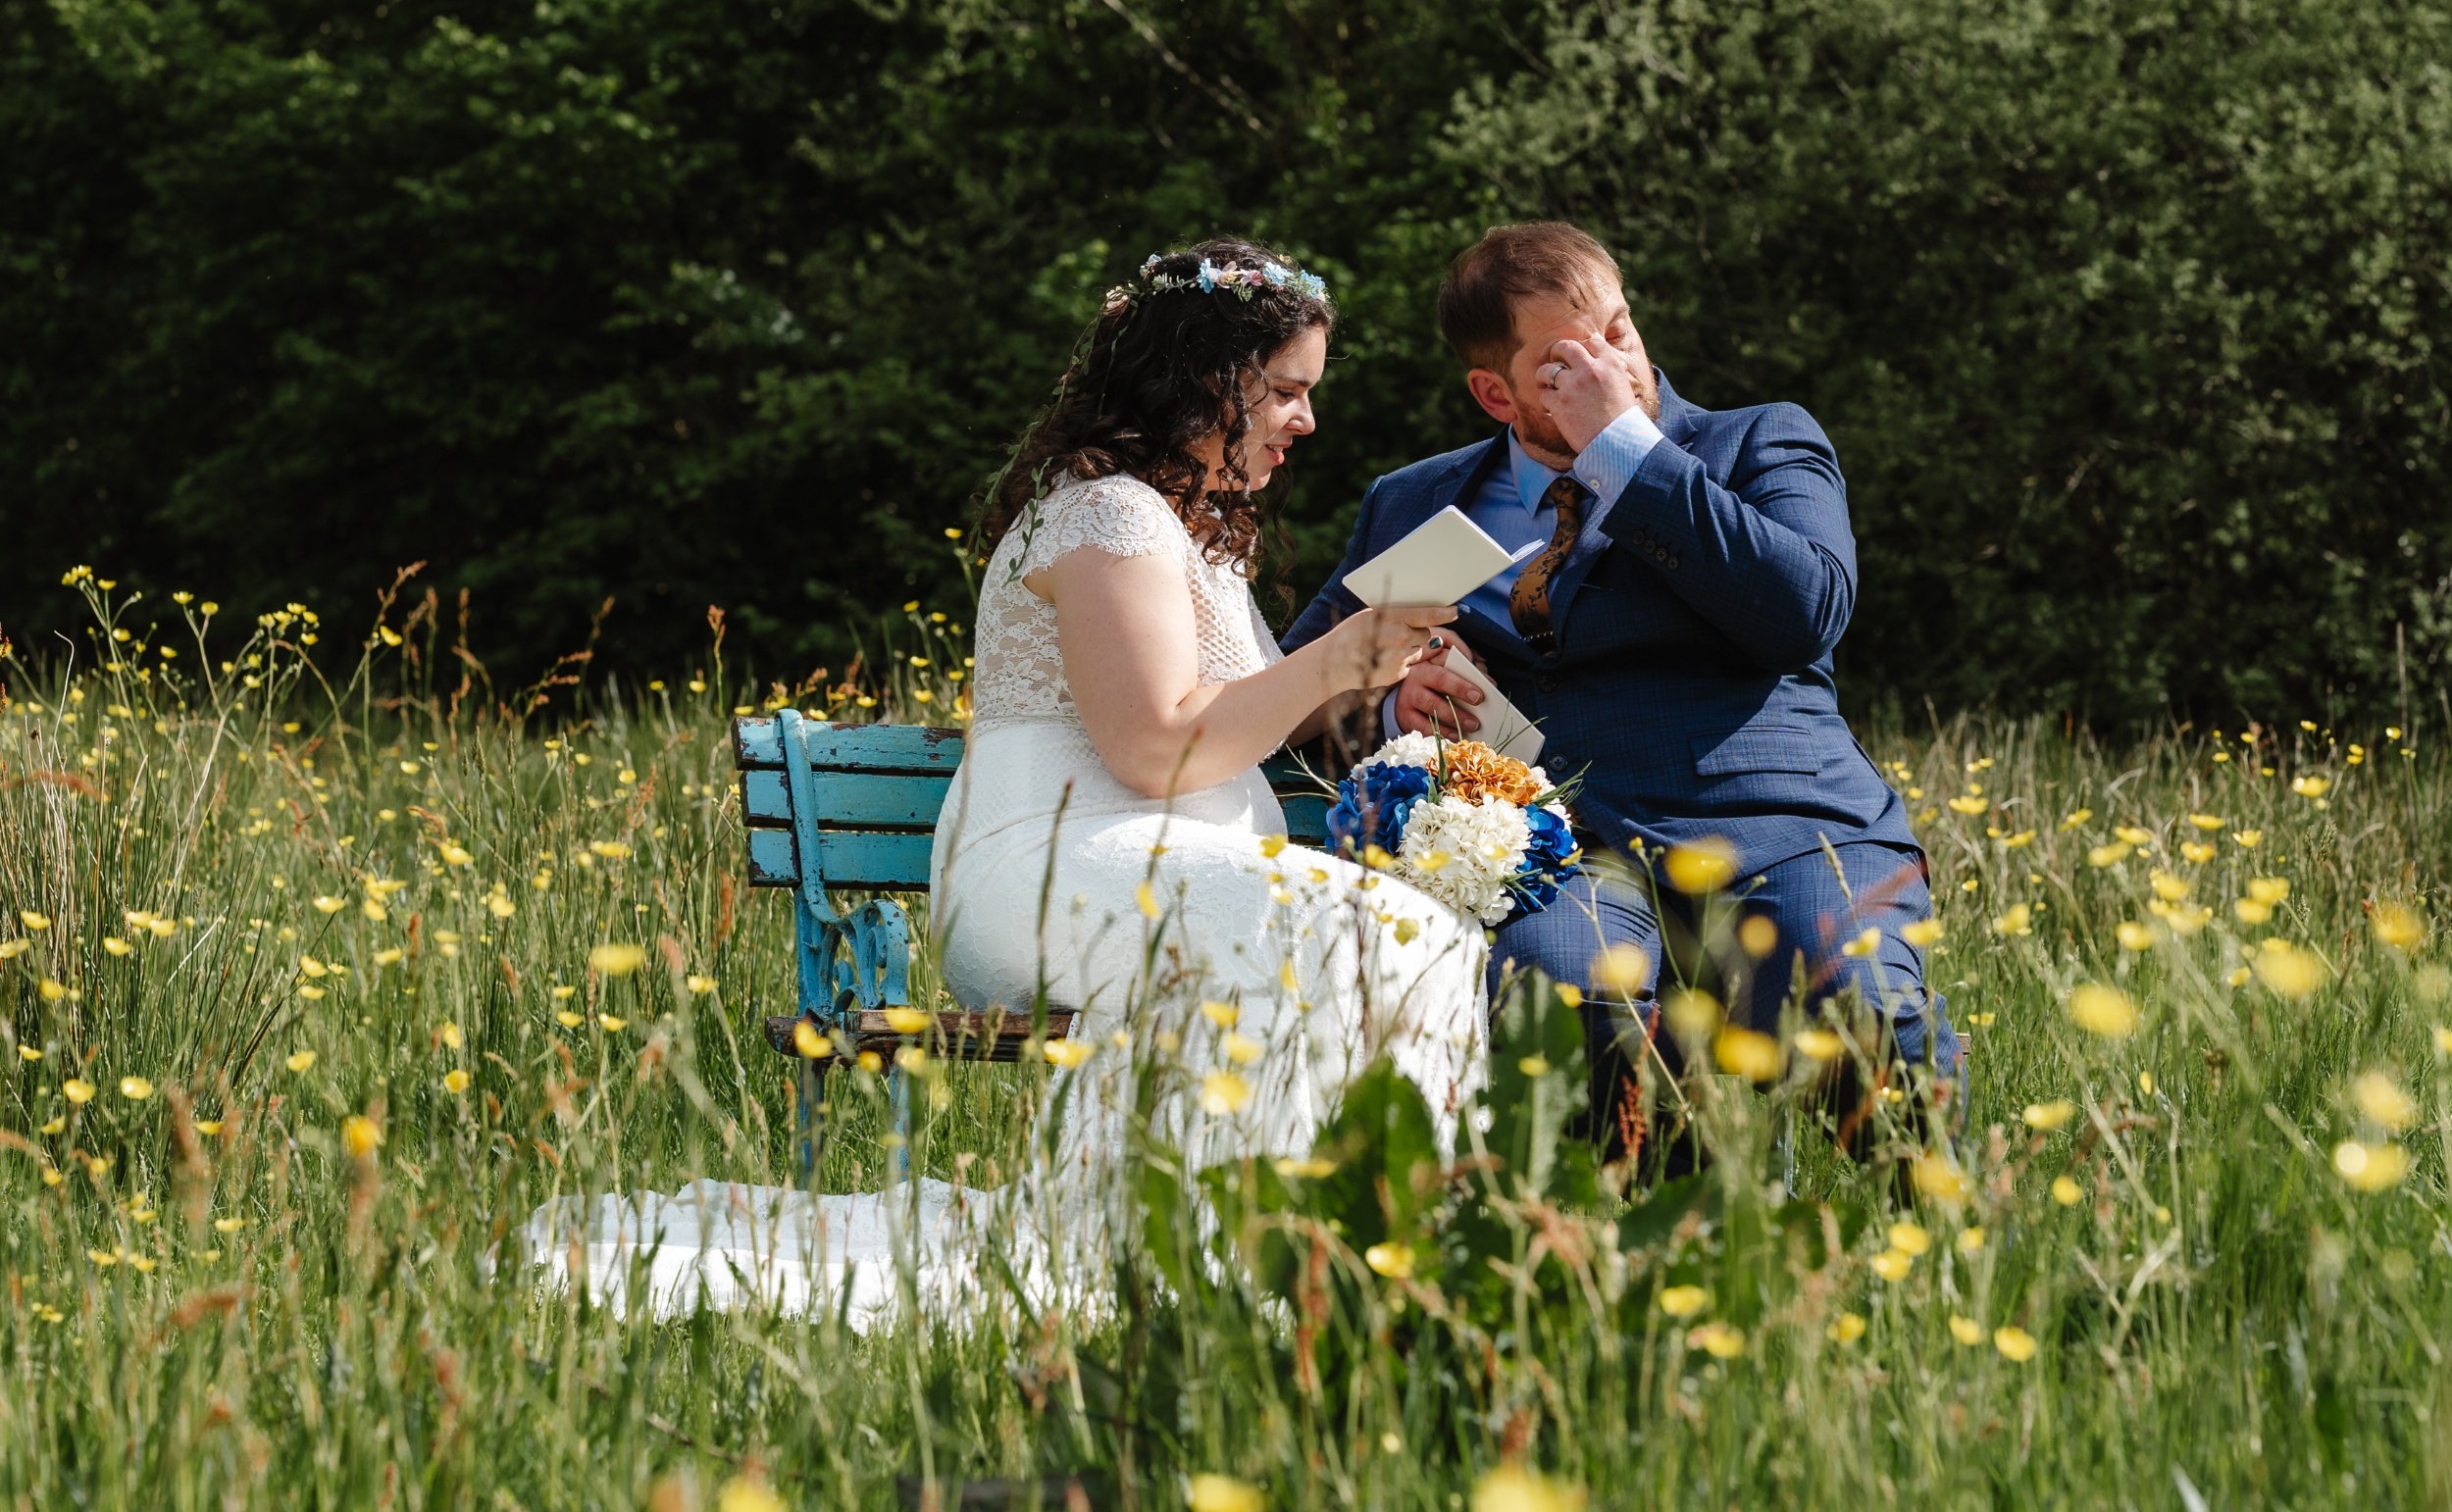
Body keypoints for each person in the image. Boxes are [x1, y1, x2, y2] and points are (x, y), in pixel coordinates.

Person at [522, 240, 1488, 1325]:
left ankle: (1331, 1246)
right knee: (1377, 936)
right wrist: (1337, 654)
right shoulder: (1106, 513)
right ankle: (1251, 1256)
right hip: (1057, 871)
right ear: (1201, 380)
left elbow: (1242, 717)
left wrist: (1387, 680)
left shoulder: (1193, 534)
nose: (1305, 422)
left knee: (1410, 934)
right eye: (1285, 392)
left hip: (1161, 869)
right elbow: (1152, 749)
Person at [1282, 223, 1961, 1160]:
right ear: (1495, 391)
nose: (1613, 365)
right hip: (1568, 856)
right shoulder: (1411, 502)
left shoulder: (1761, 442)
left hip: (1783, 831)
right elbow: (1288, 696)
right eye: (1568, 359)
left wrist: (1625, 452)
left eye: (1619, 331)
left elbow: (1806, 610)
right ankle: (1652, 1261)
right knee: (1564, 1008)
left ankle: (1946, 1253)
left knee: (1857, 1010)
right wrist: (1392, 707)